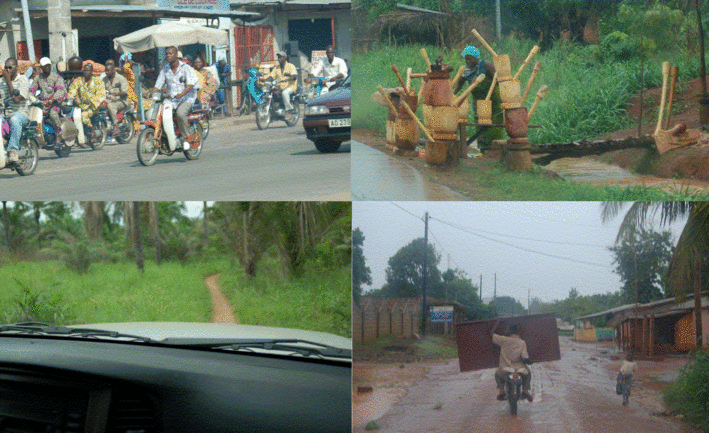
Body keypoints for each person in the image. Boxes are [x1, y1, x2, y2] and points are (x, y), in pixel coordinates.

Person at [149, 46, 198, 152]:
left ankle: (186, 138)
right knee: (160, 113)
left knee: (180, 113)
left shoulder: (186, 68)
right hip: (170, 100)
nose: (168, 55)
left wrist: (182, 93)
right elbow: (159, 84)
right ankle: (168, 139)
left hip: (186, 99)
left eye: (170, 53)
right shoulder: (165, 69)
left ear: (176, 55)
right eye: (166, 54)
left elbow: (190, 84)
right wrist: (152, 91)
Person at [454, 45, 503, 150]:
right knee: (480, 123)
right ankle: (483, 149)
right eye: (466, 59)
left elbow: (498, 77)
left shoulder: (485, 65)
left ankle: (496, 149)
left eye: (470, 58)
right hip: (478, 101)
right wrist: (452, 95)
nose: (468, 61)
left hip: (493, 100)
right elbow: (459, 84)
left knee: (494, 124)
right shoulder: (466, 71)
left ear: (476, 58)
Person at [491, 321, 533, 402]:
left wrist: (497, 322)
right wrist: (529, 361)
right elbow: (525, 357)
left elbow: (491, 334)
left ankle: (502, 390)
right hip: (519, 368)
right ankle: (525, 390)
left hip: (505, 368)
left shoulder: (503, 339)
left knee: (497, 375)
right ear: (516, 331)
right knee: (528, 374)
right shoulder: (522, 342)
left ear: (509, 330)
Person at [67, 60, 106, 145]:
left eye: (88, 70)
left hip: (93, 107)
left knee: (84, 116)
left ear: (92, 72)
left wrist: (91, 101)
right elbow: (72, 91)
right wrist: (70, 98)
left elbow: (101, 95)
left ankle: (92, 132)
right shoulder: (78, 81)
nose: (86, 72)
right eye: (84, 70)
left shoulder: (98, 82)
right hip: (80, 106)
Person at [0, 57, 30, 165]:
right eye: (5, 68)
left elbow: (17, 99)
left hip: (21, 114)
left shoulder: (23, 79)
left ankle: (12, 150)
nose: (7, 70)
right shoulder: (1, 81)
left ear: (16, 68)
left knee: (14, 119)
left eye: (10, 67)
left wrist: (8, 81)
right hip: (4, 114)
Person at [29, 57, 67, 131]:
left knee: (53, 113)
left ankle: (58, 133)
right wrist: (29, 96)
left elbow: (60, 90)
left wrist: (53, 99)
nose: (47, 67)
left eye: (48, 65)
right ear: (41, 67)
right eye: (45, 66)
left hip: (57, 103)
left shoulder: (57, 77)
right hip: (43, 104)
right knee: (31, 113)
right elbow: (32, 89)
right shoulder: (38, 78)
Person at [102, 59, 130, 137]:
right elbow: (100, 89)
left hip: (121, 101)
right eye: (105, 71)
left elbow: (125, 92)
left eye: (108, 71)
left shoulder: (121, 78)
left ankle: (115, 126)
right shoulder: (104, 80)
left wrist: (117, 93)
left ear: (113, 70)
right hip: (108, 100)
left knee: (111, 105)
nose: (106, 72)